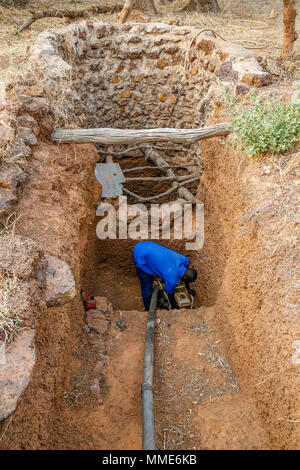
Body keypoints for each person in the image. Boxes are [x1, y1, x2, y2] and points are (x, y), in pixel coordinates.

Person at [132, 241, 197, 310]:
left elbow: (185, 278)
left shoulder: (184, 260)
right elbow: (170, 294)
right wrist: (174, 307)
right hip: (140, 255)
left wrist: (188, 289)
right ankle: (148, 308)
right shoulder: (171, 277)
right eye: (187, 280)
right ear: (185, 277)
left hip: (148, 245)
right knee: (147, 285)